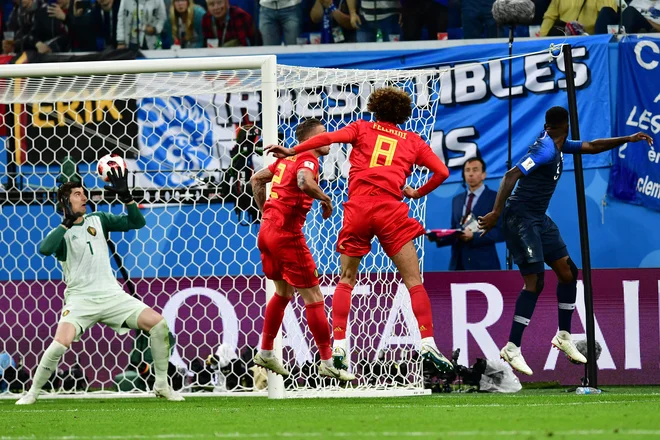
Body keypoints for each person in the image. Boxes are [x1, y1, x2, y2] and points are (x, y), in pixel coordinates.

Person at [265, 87, 453, 375]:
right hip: (391, 211)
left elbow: (327, 138)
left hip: (359, 210)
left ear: (375, 108)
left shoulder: (361, 128)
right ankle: (427, 341)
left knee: (347, 278)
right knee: (413, 280)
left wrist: (293, 149)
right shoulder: (413, 140)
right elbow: (442, 172)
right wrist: (416, 193)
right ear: (402, 115)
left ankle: (339, 345)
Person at [478, 106, 653, 376]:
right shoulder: (545, 150)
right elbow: (511, 175)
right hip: (520, 218)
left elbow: (593, 146)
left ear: (550, 125)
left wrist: (627, 139)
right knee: (535, 282)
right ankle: (512, 347)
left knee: (568, 272)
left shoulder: (560, 144)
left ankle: (563, 335)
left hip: (538, 218)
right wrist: (496, 213)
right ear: (566, 125)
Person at [16, 170, 183, 404]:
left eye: (84, 193)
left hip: (112, 295)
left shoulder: (99, 220)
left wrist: (127, 198)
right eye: (77, 194)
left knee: (159, 325)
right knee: (60, 344)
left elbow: (137, 222)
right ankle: (32, 392)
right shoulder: (61, 234)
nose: (84, 197)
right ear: (65, 201)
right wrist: (66, 222)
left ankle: (162, 385)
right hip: (80, 300)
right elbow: (45, 249)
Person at [251, 119, 355, 382]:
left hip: (266, 232)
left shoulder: (285, 159)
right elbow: (303, 181)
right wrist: (326, 199)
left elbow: (256, 179)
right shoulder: (307, 157)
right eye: (323, 135)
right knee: (314, 296)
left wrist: (265, 213)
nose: (328, 138)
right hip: (287, 234)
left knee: (283, 293)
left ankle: (265, 351)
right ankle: (327, 360)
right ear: (311, 138)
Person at [449, 157, 504, 271]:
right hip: (458, 264)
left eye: (475, 170)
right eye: (467, 170)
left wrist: (474, 236)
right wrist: (440, 237)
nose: (470, 174)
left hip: (484, 263)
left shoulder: (495, 199)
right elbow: (455, 228)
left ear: (484, 174)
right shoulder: (457, 200)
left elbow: (501, 232)